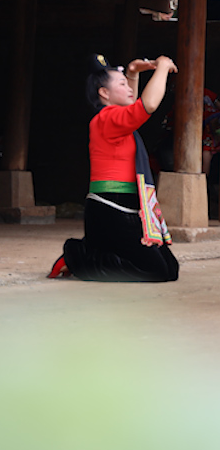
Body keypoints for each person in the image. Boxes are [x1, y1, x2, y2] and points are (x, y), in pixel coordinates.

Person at [49, 54, 180, 282]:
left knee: (170, 268)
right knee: (156, 271)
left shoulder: (116, 118)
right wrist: (162, 66)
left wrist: (133, 72)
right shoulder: (106, 119)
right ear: (104, 93)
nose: (129, 88)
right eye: (122, 84)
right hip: (110, 210)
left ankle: (95, 247)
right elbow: (147, 105)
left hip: (125, 210)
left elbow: (134, 104)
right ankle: (78, 255)